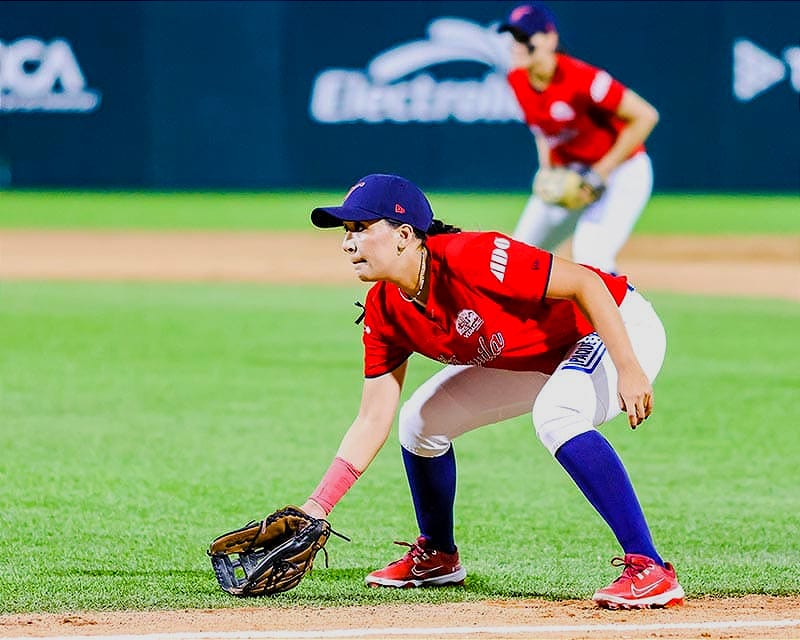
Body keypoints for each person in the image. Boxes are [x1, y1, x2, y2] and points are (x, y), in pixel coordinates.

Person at [299, 172, 684, 610]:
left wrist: (628, 366)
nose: (347, 243)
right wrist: (318, 506)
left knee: (557, 414)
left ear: (404, 235)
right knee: (419, 422)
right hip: (535, 353)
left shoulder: (472, 258)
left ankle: (650, 568)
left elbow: (586, 284)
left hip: (613, 324)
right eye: (346, 232)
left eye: (359, 229)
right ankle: (439, 555)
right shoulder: (386, 310)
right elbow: (372, 420)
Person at [498, 3, 660, 275]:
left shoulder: (582, 79)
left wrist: (601, 172)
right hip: (569, 176)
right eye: (514, 37)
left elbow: (646, 116)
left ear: (551, 39)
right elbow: (542, 131)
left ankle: (627, 316)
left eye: (525, 37)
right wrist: (546, 169)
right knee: (517, 256)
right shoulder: (517, 80)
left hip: (622, 171)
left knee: (592, 254)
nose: (518, 44)